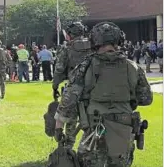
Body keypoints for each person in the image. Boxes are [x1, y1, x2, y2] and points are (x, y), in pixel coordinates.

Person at [54, 22, 153, 166]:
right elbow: (146, 99)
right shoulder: (133, 67)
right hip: (124, 133)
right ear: (119, 40)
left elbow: (67, 102)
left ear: (94, 41)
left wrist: (58, 128)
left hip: (95, 134)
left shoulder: (84, 67)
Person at [51, 22, 92, 149]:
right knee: (92, 121)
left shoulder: (67, 48)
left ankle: (67, 147)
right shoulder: (94, 45)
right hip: (93, 89)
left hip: (74, 88)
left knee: (69, 119)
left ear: (70, 35)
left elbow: (59, 69)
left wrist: (55, 86)